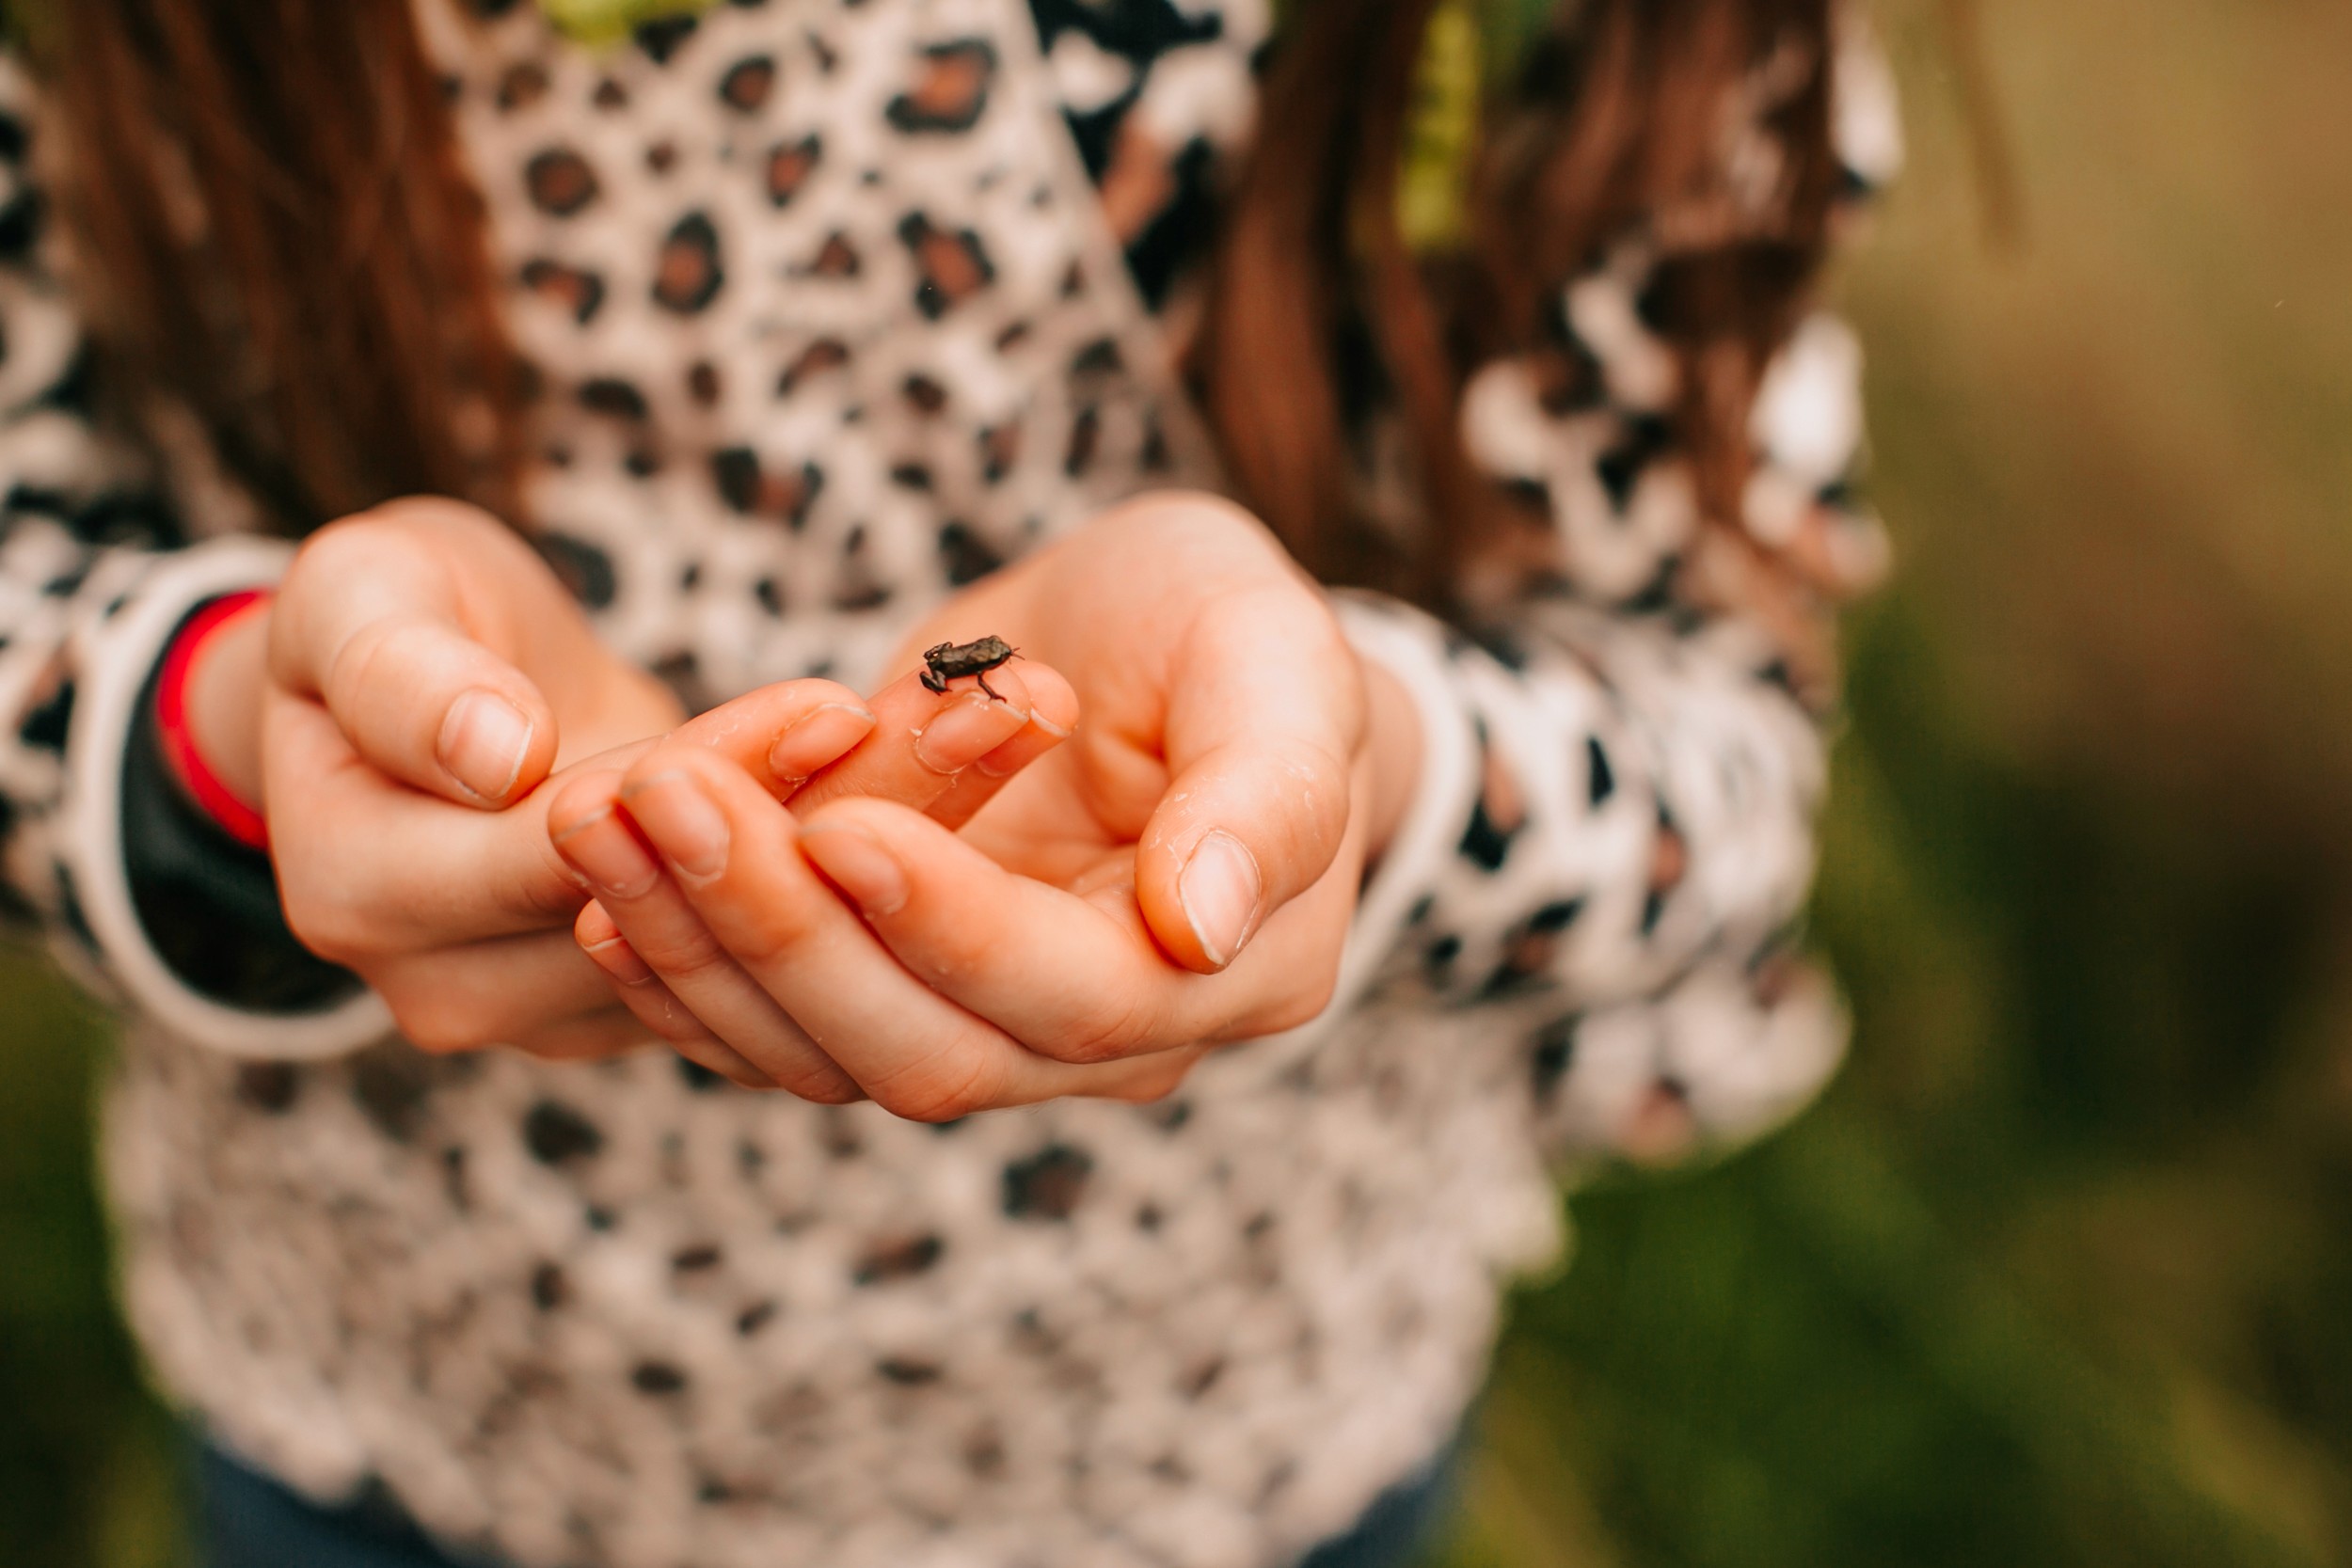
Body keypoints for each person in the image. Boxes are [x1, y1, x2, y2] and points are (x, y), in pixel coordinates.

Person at [0, 0, 1899, 1563]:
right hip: (393, 1414)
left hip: (1224, 1432)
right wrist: (225, 727)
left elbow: (1715, 738)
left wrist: (1362, 759)